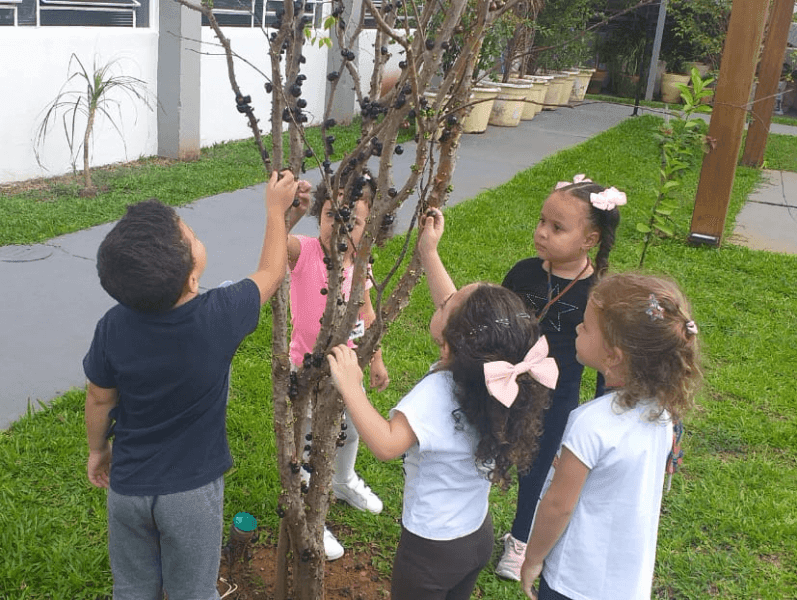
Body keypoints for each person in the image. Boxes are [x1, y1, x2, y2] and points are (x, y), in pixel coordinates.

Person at [83, 171, 298, 600]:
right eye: (194, 236)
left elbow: (98, 396)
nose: (197, 237)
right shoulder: (219, 316)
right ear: (193, 280)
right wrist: (276, 211)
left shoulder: (113, 326)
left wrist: (97, 450)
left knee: (132, 587)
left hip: (127, 486)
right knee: (192, 590)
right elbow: (272, 273)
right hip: (191, 493)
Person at [326, 208, 555, 600]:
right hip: (474, 534)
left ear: (449, 342)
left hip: (429, 549)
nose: (444, 299)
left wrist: (352, 388)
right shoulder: (495, 381)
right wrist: (429, 253)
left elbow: (385, 444)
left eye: (446, 306)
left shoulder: (438, 393)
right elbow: (458, 312)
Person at [520, 273, 702, 600]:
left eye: (587, 327)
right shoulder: (663, 414)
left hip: (573, 583)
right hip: (627, 585)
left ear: (614, 356)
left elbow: (558, 505)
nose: (578, 328)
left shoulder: (590, 423)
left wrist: (532, 558)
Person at [496, 174, 625, 580]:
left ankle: (520, 542)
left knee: (535, 468)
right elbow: (499, 323)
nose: (541, 233)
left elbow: (606, 363)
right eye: (541, 222)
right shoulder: (523, 272)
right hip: (505, 384)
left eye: (557, 228)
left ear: (589, 239)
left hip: (557, 397)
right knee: (489, 449)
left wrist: (608, 405)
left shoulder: (597, 295)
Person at [285, 168, 391, 560]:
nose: (341, 226)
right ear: (320, 216)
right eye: (332, 215)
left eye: (354, 220)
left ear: (371, 227)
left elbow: (367, 311)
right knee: (311, 439)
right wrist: (288, 213)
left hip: (348, 369)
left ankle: (343, 480)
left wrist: (375, 356)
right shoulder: (305, 252)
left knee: (350, 430)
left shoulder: (360, 266)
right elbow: (275, 244)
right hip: (307, 371)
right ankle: (314, 512)